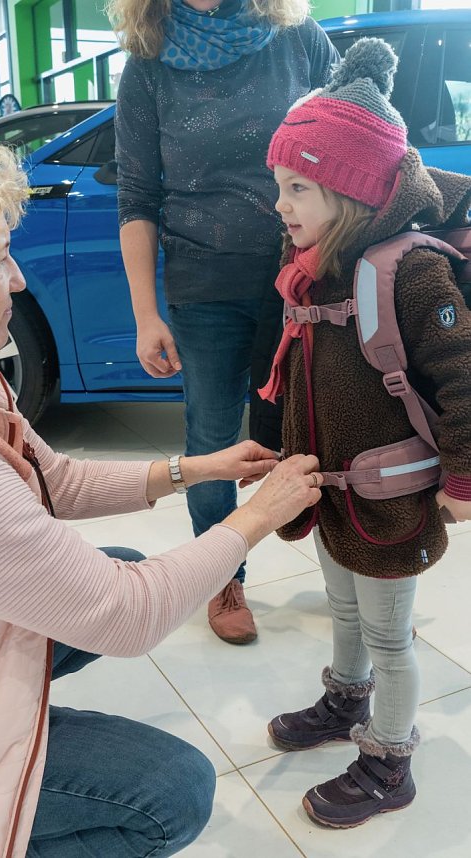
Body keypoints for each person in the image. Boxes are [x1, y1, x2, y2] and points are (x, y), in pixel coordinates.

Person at [0, 137, 322, 857]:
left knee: (120, 560)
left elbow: (53, 481)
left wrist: (198, 467)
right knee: (172, 789)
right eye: (1, 259)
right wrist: (255, 518)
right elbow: (125, 619)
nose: (21, 281)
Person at [251, 38, 471, 828]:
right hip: (331, 487)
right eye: (277, 184)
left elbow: (461, 377)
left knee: (390, 637)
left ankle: (389, 758)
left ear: (352, 191)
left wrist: (461, 478)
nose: (280, 203)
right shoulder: (312, 265)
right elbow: (288, 366)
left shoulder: (409, 270)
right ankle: (346, 704)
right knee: (342, 612)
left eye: (298, 185)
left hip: (391, 496)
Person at [110, 0, 339, 644]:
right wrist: (145, 313)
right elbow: (137, 194)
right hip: (203, 285)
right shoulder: (149, 60)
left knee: (314, 421)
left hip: (303, 276)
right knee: (211, 437)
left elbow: (354, 143)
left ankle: (343, 557)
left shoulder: (298, 38)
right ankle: (221, 575)